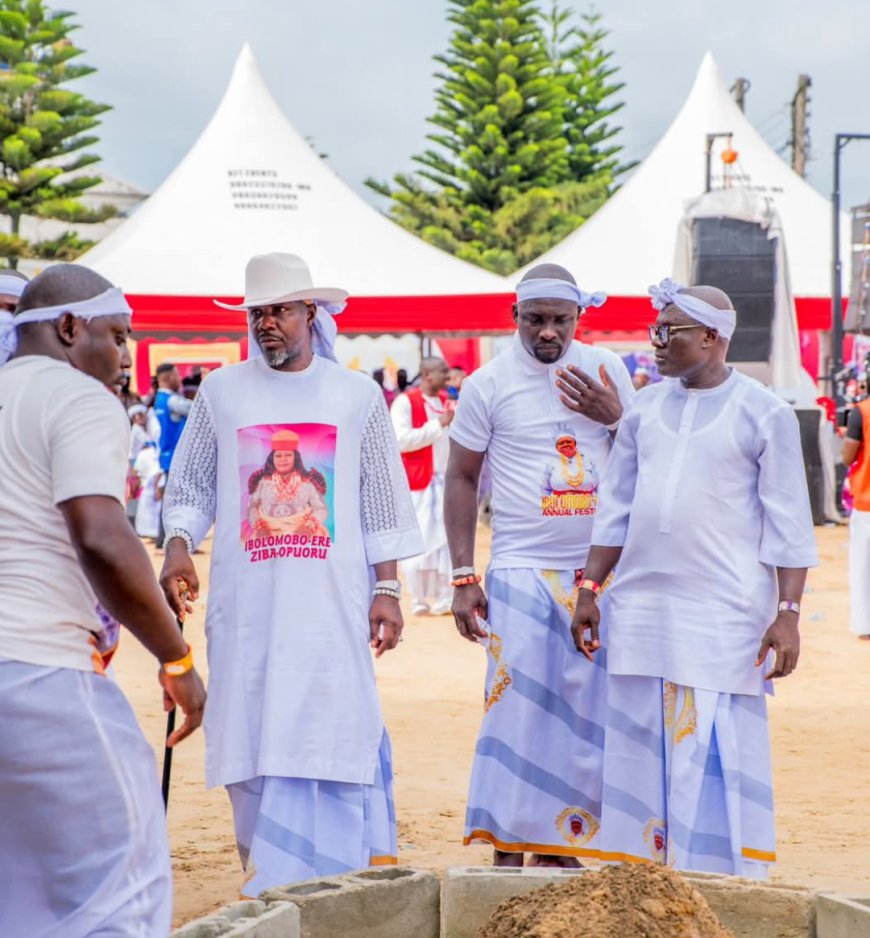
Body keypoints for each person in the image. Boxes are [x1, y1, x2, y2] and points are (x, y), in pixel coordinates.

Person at [159, 252, 422, 895]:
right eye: (258, 312)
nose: (267, 322)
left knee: (332, 723)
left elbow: (382, 501)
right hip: (247, 609)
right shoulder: (222, 391)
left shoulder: (356, 396)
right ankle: (271, 880)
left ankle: (327, 890)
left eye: (279, 309)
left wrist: (386, 587)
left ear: (311, 312)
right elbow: (190, 483)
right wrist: (176, 544)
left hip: (332, 608)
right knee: (250, 728)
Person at [572, 278, 818, 879]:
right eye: (654, 330)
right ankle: (640, 886)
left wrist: (787, 616)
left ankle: (717, 882)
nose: (654, 343)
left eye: (668, 332)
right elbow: (616, 508)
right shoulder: (645, 409)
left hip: (724, 613)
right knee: (637, 748)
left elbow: (789, 522)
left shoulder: (765, 412)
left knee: (711, 751)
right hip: (641, 609)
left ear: (711, 338)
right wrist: (589, 589)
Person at [0, 263, 206, 937]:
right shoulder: (81, 397)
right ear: (69, 328)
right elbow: (103, 539)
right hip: (42, 675)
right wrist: (177, 661)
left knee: (21, 893)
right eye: (118, 337)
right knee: (125, 891)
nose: (124, 358)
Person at [445, 264, 634, 867]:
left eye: (560, 319)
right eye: (536, 319)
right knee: (515, 708)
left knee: (585, 712)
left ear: (580, 318)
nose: (548, 332)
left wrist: (616, 417)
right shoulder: (487, 384)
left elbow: (645, 457)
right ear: (514, 318)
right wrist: (462, 574)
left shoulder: (608, 371)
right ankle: (506, 843)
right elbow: (462, 477)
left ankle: (561, 845)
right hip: (521, 567)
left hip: (596, 575)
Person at [392, 356, 454, 616]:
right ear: (427, 375)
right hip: (418, 483)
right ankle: (418, 598)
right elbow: (401, 441)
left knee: (444, 543)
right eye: (443, 371)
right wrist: (436, 425)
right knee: (419, 542)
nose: (448, 376)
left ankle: (444, 596)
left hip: (444, 483)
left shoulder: (445, 403)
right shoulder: (405, 402)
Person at [247, 428, 329, 539]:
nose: (283, 459)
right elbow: (252, 507)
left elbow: (321, 509)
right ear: (272, 459)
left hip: (302, 535)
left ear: (295, 458)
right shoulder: (262, 481)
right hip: (267, 535)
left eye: (288, 455)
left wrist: (308, 527)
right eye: (278, 456)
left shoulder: (307, 481)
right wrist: (260, 527)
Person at [842, 383, 870, 639]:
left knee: (863, 567)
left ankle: (865, 625)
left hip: (866, 502)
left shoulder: (862, 411)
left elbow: (847, 457)